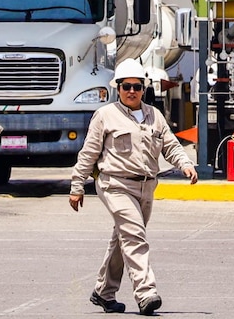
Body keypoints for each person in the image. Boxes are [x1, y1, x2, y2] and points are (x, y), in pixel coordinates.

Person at [69, 58, 198, 316]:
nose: (131, 91)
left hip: (146, 186)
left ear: (144, 88)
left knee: (123, 238)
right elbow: (89, 153)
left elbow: (170, 145)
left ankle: (104, 292)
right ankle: (145, 293)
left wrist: (185, 163)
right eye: (126, 86)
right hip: (114, 184)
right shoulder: (105, 115)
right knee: (135, 235)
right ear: (118, 87)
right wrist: (77, 185)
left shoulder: (155, 116)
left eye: (136, 87)